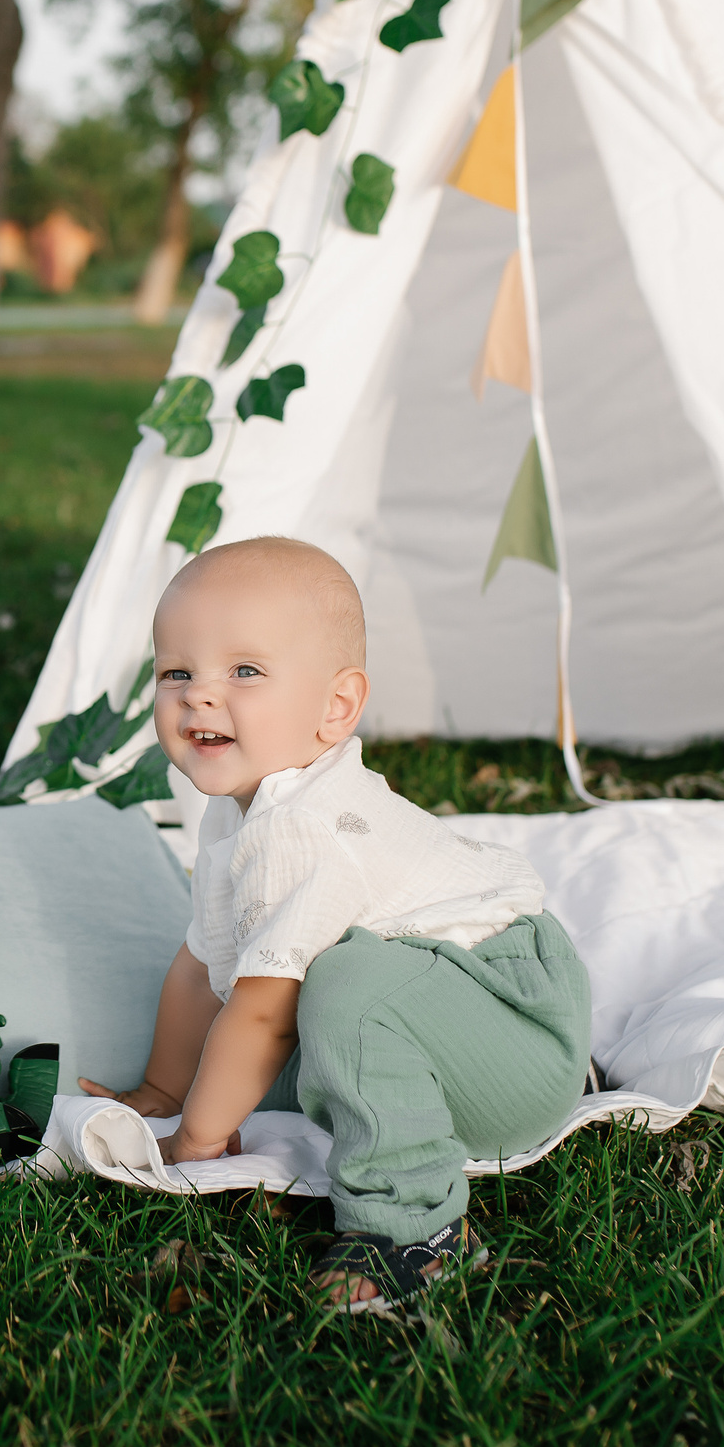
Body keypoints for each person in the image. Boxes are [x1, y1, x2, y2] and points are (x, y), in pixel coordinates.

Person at [78, 536, 591, 1312]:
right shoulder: (237, 811)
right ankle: (428, 1096)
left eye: (244, 671)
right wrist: (166, 1088)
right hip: (457, 1017)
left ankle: (412, 1230)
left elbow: (261, 1008)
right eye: (177, 670)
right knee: (285, 1019)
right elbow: (200, 965)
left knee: (333, 992)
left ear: (336, 707)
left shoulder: (304, 827)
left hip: (515, 1026)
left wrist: (197, 1143)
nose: (199, 695)